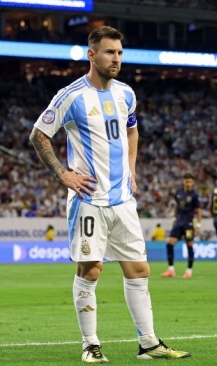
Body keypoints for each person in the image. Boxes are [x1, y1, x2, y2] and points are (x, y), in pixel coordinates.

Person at [29, 25, 189, 363]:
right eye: (109, 52)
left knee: (139, 270)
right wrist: (63, 174)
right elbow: (39, 136)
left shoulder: (126, 93)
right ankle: (90, 345)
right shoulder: (71, 96)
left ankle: (148, 344)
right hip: (89, 201)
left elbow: (132, 132)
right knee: (91, 270)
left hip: (122, 200)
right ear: (92, 54)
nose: (116, 58)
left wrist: (131, 169)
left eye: (119, 52)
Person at [161, 173, 202, 279]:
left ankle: (189, 271)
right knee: (169, 244)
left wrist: (198, 225)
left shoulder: (195, 195)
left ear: (193, 183)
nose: (188, 184)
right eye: (186, 181)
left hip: (188, 224)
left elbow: (198, 211)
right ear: (183, 181)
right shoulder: (178, 192)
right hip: (179, 222)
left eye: (190, 182)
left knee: (189, 245)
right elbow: (177, 206)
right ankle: (171, 270)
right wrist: (174, 218)